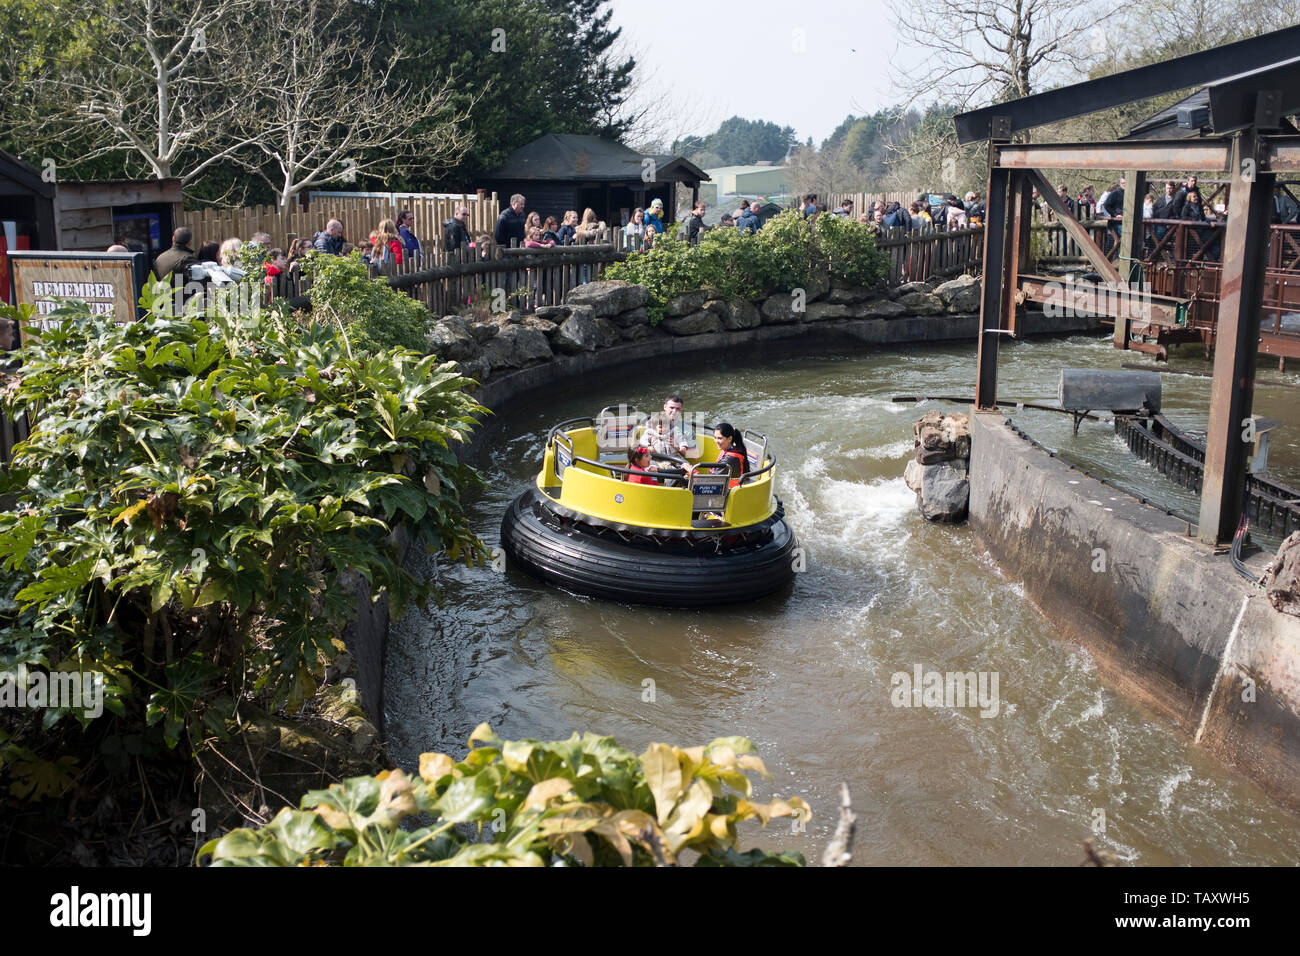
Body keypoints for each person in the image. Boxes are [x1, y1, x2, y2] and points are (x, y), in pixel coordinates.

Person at [641, 395, 699, 461]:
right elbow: (643, 441)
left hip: (674, 461)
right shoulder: (652, 422)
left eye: (678, 409)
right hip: (653, 460)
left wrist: (676, 446)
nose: (674, 411)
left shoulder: (687, 430)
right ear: (665, 407)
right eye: (671, 407)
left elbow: (695, 456)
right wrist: (648, 445)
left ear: (681, 410)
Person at [713, 423, 748, 488]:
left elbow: (711, 480)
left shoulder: (730, 458)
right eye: (715, 437)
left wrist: (691, 470)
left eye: (720, 438)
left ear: (729, 439)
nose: (716, 441)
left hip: (728, 492)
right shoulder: (727, 450)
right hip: (723, 488)